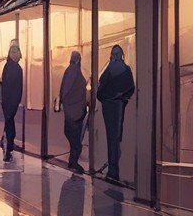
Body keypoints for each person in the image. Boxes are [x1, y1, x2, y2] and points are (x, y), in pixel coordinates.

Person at [96, 45, 135, 183]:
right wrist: (122, 98)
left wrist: (106, 98)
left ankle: (113, 171)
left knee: (111, 137)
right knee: (117, 137)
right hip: (120, 106)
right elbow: (131, 88)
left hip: (109, 107)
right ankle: (115, 169)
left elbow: (99, 91)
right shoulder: (127, 70)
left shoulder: (109, 70)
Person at [58, 51, 88, 172]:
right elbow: (67, 90)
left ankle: (72, 161)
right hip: (75, 112)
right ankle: (73, 162)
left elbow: (66, 89)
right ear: (78, 60)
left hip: (72, 111)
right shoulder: (74, 72)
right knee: (76, 139)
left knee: (73, 136)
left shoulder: (69, 71)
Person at [0, 42, 23, 162]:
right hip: (11, 101)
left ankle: (8, 145)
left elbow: (3, 83)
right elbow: (17, 88)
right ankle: (8, 147)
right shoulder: (17, 68)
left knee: (9, 122)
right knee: (9, 123)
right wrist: (16, 101)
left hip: (6, 101)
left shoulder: (7, 66)